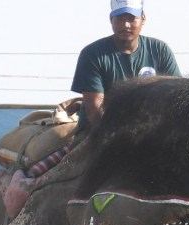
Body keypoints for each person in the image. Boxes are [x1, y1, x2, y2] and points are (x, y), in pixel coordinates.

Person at [71, 0, 181, 134]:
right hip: (98, 131)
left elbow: (176, 96)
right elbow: (95, 109)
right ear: (111, 19)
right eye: (119, 19)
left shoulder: (160, 50)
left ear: (143, 18)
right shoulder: (92, 54)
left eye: (132, 18)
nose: (125, 25)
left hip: (150, 131)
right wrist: (118, 138)